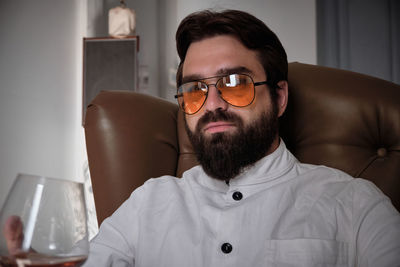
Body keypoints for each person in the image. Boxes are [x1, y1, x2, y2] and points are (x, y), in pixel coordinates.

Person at [5, 9, 400, 266]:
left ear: (278, 97)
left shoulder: (356, 207)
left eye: (234, 83)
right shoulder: (147, 204)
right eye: (195, 89)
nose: (211, 104)